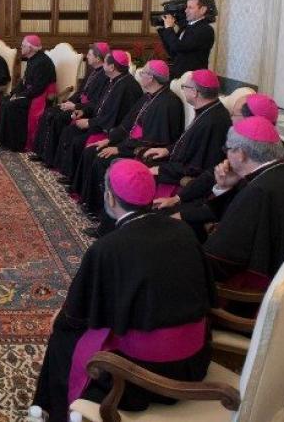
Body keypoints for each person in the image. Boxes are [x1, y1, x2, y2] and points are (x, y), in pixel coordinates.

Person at [31, 160, 214, 422]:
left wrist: (62, 318)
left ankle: (53, 410)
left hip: (139, 375)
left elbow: (77, 314)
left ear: (109, 198)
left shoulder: (107, 248)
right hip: (192, 361)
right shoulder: (183, 231)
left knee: (63, 332)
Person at [155, 93, 284, 241]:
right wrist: (179, 198)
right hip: (219, 208)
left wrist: (187, 214)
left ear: (251, 121)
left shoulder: (262, 158)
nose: (229, 117)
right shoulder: (253, 143)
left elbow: (240, 209)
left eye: (234, 114)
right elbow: (214, 175)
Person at [203, 118, 284, 294]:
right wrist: (224, 187)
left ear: (241, 154)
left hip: (252, 290)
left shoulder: (258, 193)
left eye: (227, 150)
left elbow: (220, 259)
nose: (225, 155)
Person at [73, 60, 185, 237]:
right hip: (129, 144)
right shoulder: (148, 96)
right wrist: (109, 140)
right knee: (93, 152)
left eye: (144, 72)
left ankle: (107, 219)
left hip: (143, 153)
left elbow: (154, 141)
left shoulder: (168, 103)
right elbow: (126, 124)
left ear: (152, 78)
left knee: (103, 162)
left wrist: (120, 150)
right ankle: (94, 207)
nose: (140, 75)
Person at [48, 50, 141, 181]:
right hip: (100, 121)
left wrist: (90, 122)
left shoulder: (127, 87)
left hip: (110, 129)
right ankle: (67, 172)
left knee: (77, 140)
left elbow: (115, 117)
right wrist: (84, 112)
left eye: (105, 63)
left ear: (112, 67)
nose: (103, 65)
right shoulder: (114, 80)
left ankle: (74, 179)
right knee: (69, 131)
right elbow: (99, 104)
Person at [141, 69, 231, 198]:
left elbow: (196, 166)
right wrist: (167, 150)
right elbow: (188, 143)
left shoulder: (212, 122)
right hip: (178, 165)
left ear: (194, 92)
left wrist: (162, 170)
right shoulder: (209, 110)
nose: (183, 90)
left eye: (185, 87)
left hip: (188, 181)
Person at [30, 42, 110, 164]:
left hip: (86, 111)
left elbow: (98, 102)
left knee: (58, 118)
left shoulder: (105, 77)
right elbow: (80, 92)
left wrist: (75, 106)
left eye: (89, 54)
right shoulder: (92, 71)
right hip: (77, 105)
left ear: (98, 58)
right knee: (48, 112)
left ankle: (50, 159)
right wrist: (68, 102)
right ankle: (42, 153)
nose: (86, 56)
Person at [0, 35, 56, 152]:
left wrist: (20, 96)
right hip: (30, 92)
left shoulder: (42, 62)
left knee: (12, 105)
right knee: (5, 100)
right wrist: (14, 93)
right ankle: (3, 139)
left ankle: (17, 144)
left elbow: (38, 87)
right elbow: (24, 81)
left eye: (23, 45)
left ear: (31, 48)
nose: (21, 47)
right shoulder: (33, 59)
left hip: (38, 96)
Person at [157, 0, 215, 79]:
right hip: (178, 76)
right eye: (186, 7)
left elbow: (179, 47)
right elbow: (173, 52)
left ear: (202, 10)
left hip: (192, 79)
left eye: (190, 8)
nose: (186, 10)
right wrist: (163, 29)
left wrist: (169, 28)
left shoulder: (205, 29)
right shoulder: (185, 27)